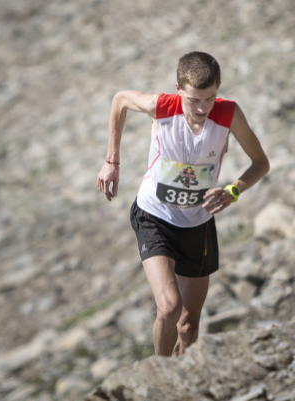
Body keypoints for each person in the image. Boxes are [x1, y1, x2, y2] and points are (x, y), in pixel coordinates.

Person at [97, 51, 269, 357]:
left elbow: (260, 163)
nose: (202, 108)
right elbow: (120, 99)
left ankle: (181, 381)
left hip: (198, 224)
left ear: (219, 88)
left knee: (189, 327)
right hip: (154, 215)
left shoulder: (229, 114)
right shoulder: (162, 106)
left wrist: (233, 190)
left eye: (210, 97)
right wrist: (112, 161)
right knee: (170, 307)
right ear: (179, 89)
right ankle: (160, 376)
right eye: (193, 99)